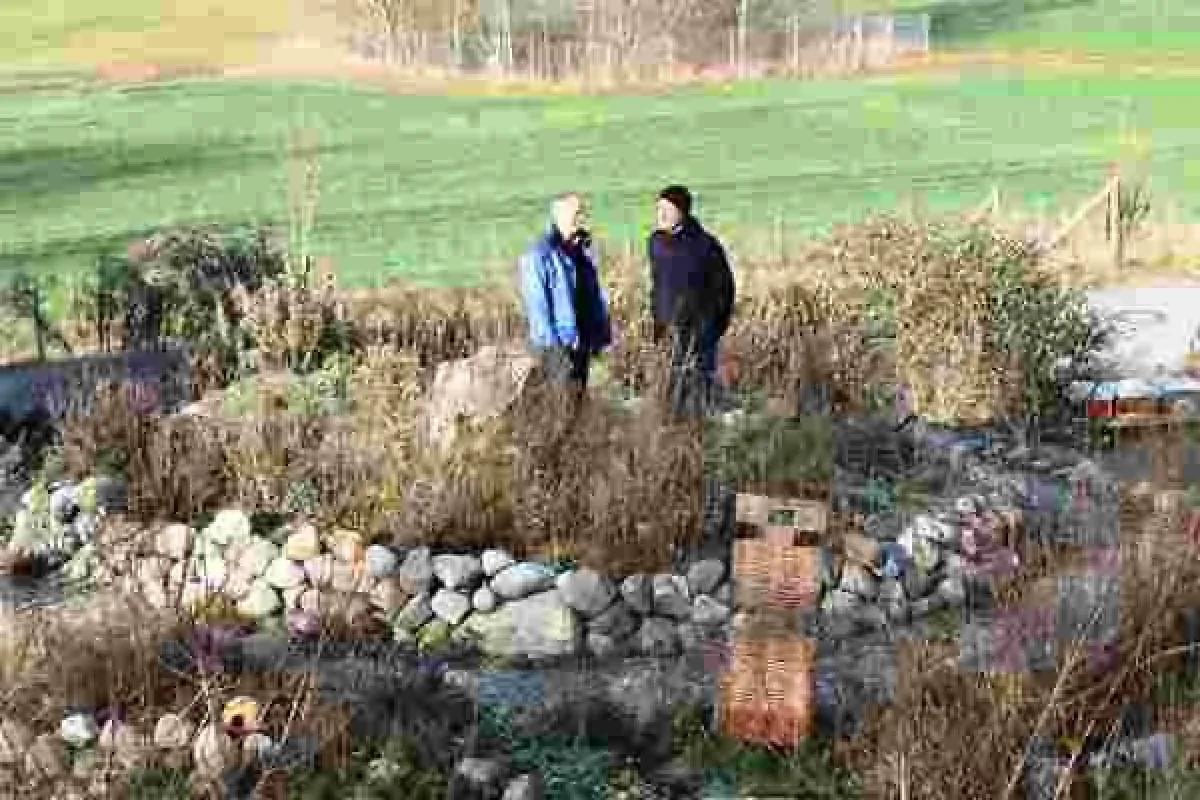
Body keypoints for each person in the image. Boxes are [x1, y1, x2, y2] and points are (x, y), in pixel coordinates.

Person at [517, 192, 612, 411]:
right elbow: (537, 307)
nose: (581, 219)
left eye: (582, 214)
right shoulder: (539, 256)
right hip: (557, 348)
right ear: (558, 217)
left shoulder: (581, 253)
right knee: (560, 410)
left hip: (582, 343)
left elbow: (593, 298)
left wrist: (600, 336)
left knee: (577, 408)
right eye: (576, 214)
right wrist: (555, 350)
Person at [647, 185, 735, 417]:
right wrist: (657, 320)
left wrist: (713, 328)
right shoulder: (655, 243)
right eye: (659, 209)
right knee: (672, 394)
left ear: (682, 212)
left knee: (699, 394)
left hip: (700, 335)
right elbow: (657, 286)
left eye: (668, 209)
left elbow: (725, 289)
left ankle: (700, 438)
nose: (661, 215)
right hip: (668, 333)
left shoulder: (705, 245)